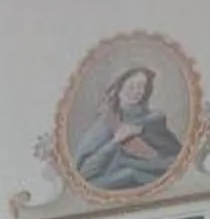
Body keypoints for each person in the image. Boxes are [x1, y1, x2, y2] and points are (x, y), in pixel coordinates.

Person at [69, 64, 183, 193]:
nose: (136, 91)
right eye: (131, 86)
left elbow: (176, 159)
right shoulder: (106, 123)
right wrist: (115, 142)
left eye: (141, 86)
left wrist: (141, 133)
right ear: (119, 88)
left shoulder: (154, 120)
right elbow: (84, 173)